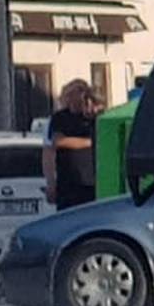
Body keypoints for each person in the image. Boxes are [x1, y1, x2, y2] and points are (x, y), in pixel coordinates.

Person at [43, 80, 102, 210]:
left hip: (93, 183)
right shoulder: (59, 119)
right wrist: (90, 142)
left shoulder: (96, 118)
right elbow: (58, 142)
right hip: (69, 185)